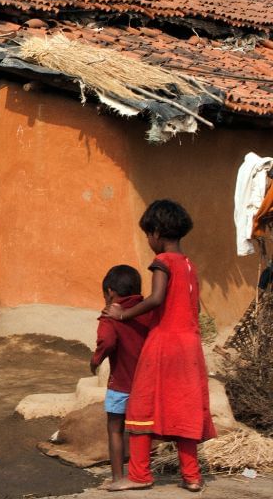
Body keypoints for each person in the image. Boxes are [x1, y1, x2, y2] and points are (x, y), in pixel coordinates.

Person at [103, 200, 216, 493]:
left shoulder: (162, 262)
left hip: (165, 343)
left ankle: (139, 475)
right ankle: (192, 476)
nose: (148, 241)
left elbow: (155, 298)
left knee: (141, 404)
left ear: (156, 232)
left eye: (147, 235)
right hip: (190, 346)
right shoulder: (189, 264)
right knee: (184, 408)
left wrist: (123, 314)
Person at [90, 265, 154, 489]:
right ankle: (139, 472)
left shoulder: (110, 316)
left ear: (110, 292)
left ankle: (118, 478)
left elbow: (107, 342)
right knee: (142, 428)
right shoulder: (148, 310)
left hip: (121, 384)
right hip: (147, 384)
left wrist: (96, 360)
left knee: (115, 428)